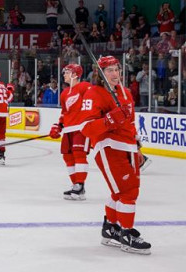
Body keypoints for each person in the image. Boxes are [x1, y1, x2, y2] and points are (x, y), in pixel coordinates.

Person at [79, 56, 150, 254]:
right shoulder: (93, 93)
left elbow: (130, 124)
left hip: (128, 147)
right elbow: (86, 128)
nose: (114, 73)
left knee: (120, 192)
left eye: (116, 69)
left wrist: (137, 148)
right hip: (109, 146)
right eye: (108, 70)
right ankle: (126, 234)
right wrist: (110, 119)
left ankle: (110, 228)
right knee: (129, 192)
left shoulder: (126, 93)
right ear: (100, 74)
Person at [47, 64, 91, 200]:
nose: (64, 74)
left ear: (75, 74)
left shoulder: (85, 87)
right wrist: (58, 125)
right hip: (69, 129)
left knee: (79, 154)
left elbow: (93, 103)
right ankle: (75, 185)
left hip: (82, 127)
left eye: (67, 72)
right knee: (67, 156)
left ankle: (80, 185)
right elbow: (64, 113)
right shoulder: (65, 93)